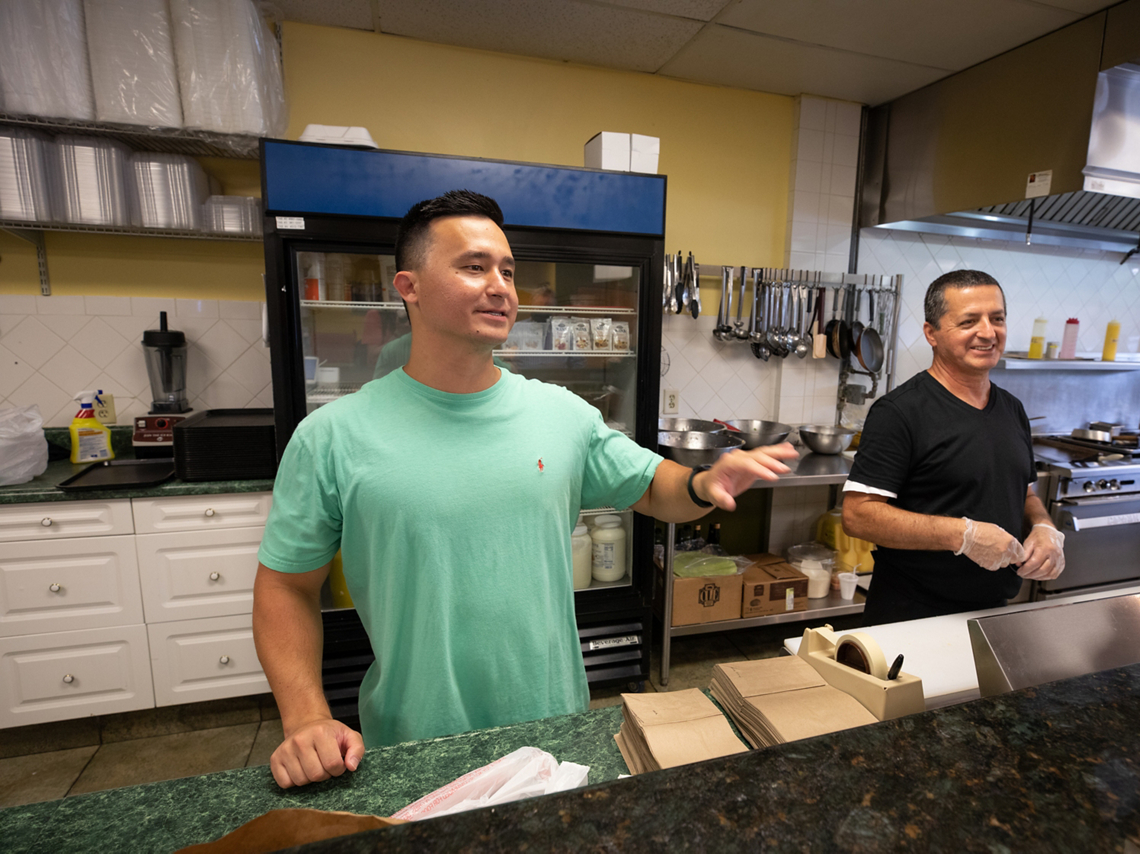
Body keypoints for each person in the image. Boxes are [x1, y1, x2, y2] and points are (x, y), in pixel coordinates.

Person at [252, 190, 797, 789]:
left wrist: (702, 480)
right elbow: (284, 584)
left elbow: (652, 485)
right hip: (412, 747)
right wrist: (305, 716)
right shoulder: (332, 437)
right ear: (408, 286)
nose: (501, 286)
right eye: (474, 266)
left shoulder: (561, 415)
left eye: (508, 271)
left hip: (552, 738)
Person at [841, 269, 1065, 625]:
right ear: (932, 333)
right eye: (968, 321)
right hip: (911, 615)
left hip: (993, 613)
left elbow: (1021, 492)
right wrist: (963, 535)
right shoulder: (899, 412)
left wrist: (1043, 528)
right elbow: (858, 514)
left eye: (997, 319)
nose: (988, 332)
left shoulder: (1012, 409)